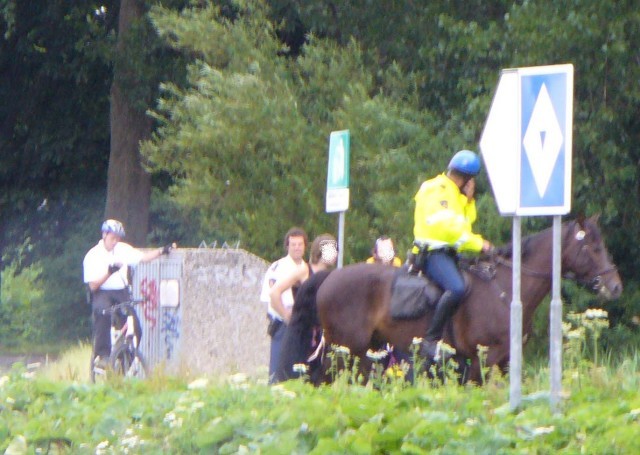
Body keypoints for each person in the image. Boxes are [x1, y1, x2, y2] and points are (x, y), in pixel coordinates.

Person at [412, 150, 494, 361]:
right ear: (466, 179)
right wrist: (479, 244)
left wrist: (468, 201)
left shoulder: (454, 194)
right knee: (456, 288)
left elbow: (465, 224)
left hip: (448, 253)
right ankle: (430, 340)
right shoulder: (436, 189)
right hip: (432, 253)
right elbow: (449, 230)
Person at [83, 219, 174, 368]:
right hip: (102, 292)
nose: (115, 242)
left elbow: (143, 258)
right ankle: (102, 355)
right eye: (113, 238)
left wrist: (161, 251)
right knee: (103, 313)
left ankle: (126, 359)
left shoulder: (123, 249)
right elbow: (93, 286)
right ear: (104, 235)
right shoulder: (92, 255)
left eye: (118, 238)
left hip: (121, 291)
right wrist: (109, 272)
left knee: (135, 326)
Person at [260, 227, 308, 382]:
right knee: (278, 372)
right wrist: (287, 317)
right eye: (293, 244)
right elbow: (273, 298)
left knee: (298, 372)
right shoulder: (278, 268)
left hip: (301, 326)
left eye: (300, 244)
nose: (297, 247)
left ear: (305, 246)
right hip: (283, 324)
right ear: (287, 246)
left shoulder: (306, 268)